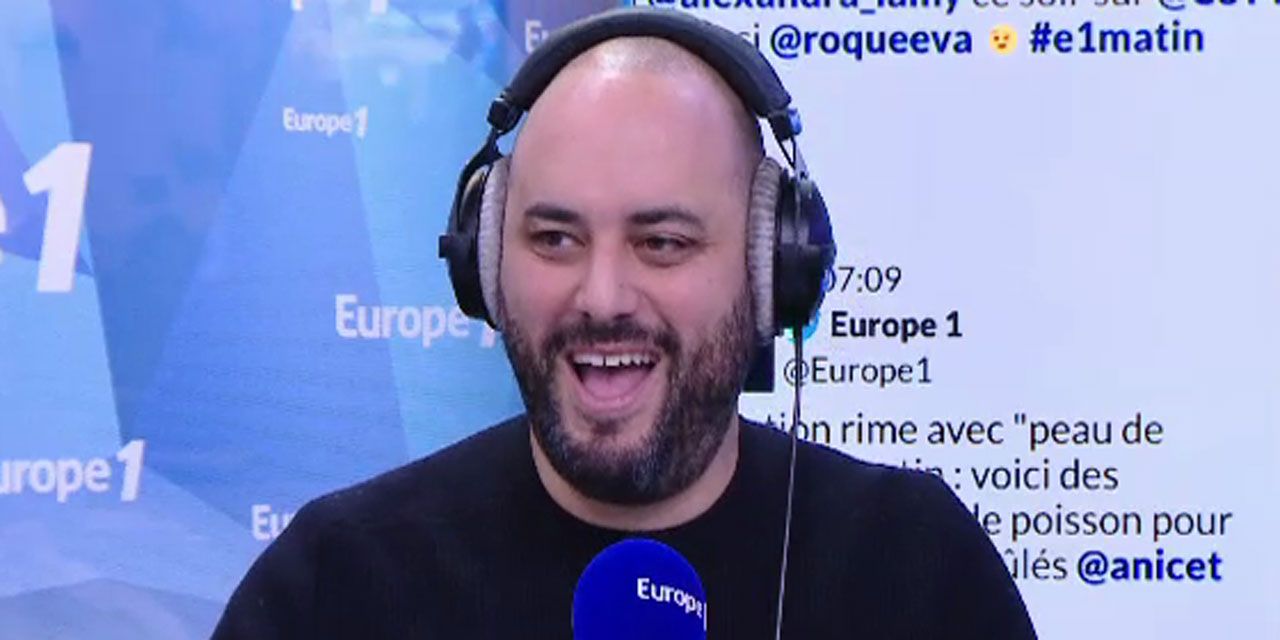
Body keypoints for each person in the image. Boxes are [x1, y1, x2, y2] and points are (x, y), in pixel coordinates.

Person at [213, 9, 1036, 639]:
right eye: (555, 239)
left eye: (662, 242)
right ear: (486, 262)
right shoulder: (338, 584)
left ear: (768, 269)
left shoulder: (914, 568)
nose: (602, 296)